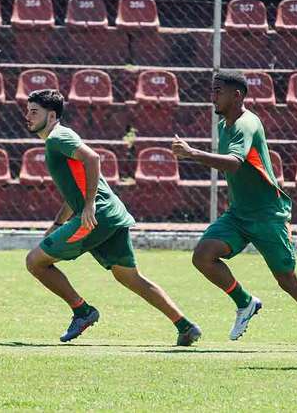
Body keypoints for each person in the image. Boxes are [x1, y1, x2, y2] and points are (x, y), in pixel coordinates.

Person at [173, 70, 297, 352]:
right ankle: (244, 301)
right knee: (203, 256)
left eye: (218, 91)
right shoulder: (223, 125)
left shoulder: (246, 124)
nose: (212, 95)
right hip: (239, 213)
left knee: (288, 280)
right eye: (212, 90)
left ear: (236, 95)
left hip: (267, 215)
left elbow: (234, 163)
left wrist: (192, 154)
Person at [23, 89, 201, 345]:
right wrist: (59, 223)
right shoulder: (59, 138)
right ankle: (185, 326)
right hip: (110, 214)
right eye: (28, 111)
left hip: (98, 217)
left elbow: (93, 159)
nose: (27, 116)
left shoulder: (57, 138)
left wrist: (89, 206)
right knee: (128, 276)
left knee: (34, 261)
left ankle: (82, 311)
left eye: (34, 112)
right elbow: (76, 188)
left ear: (51, 116)